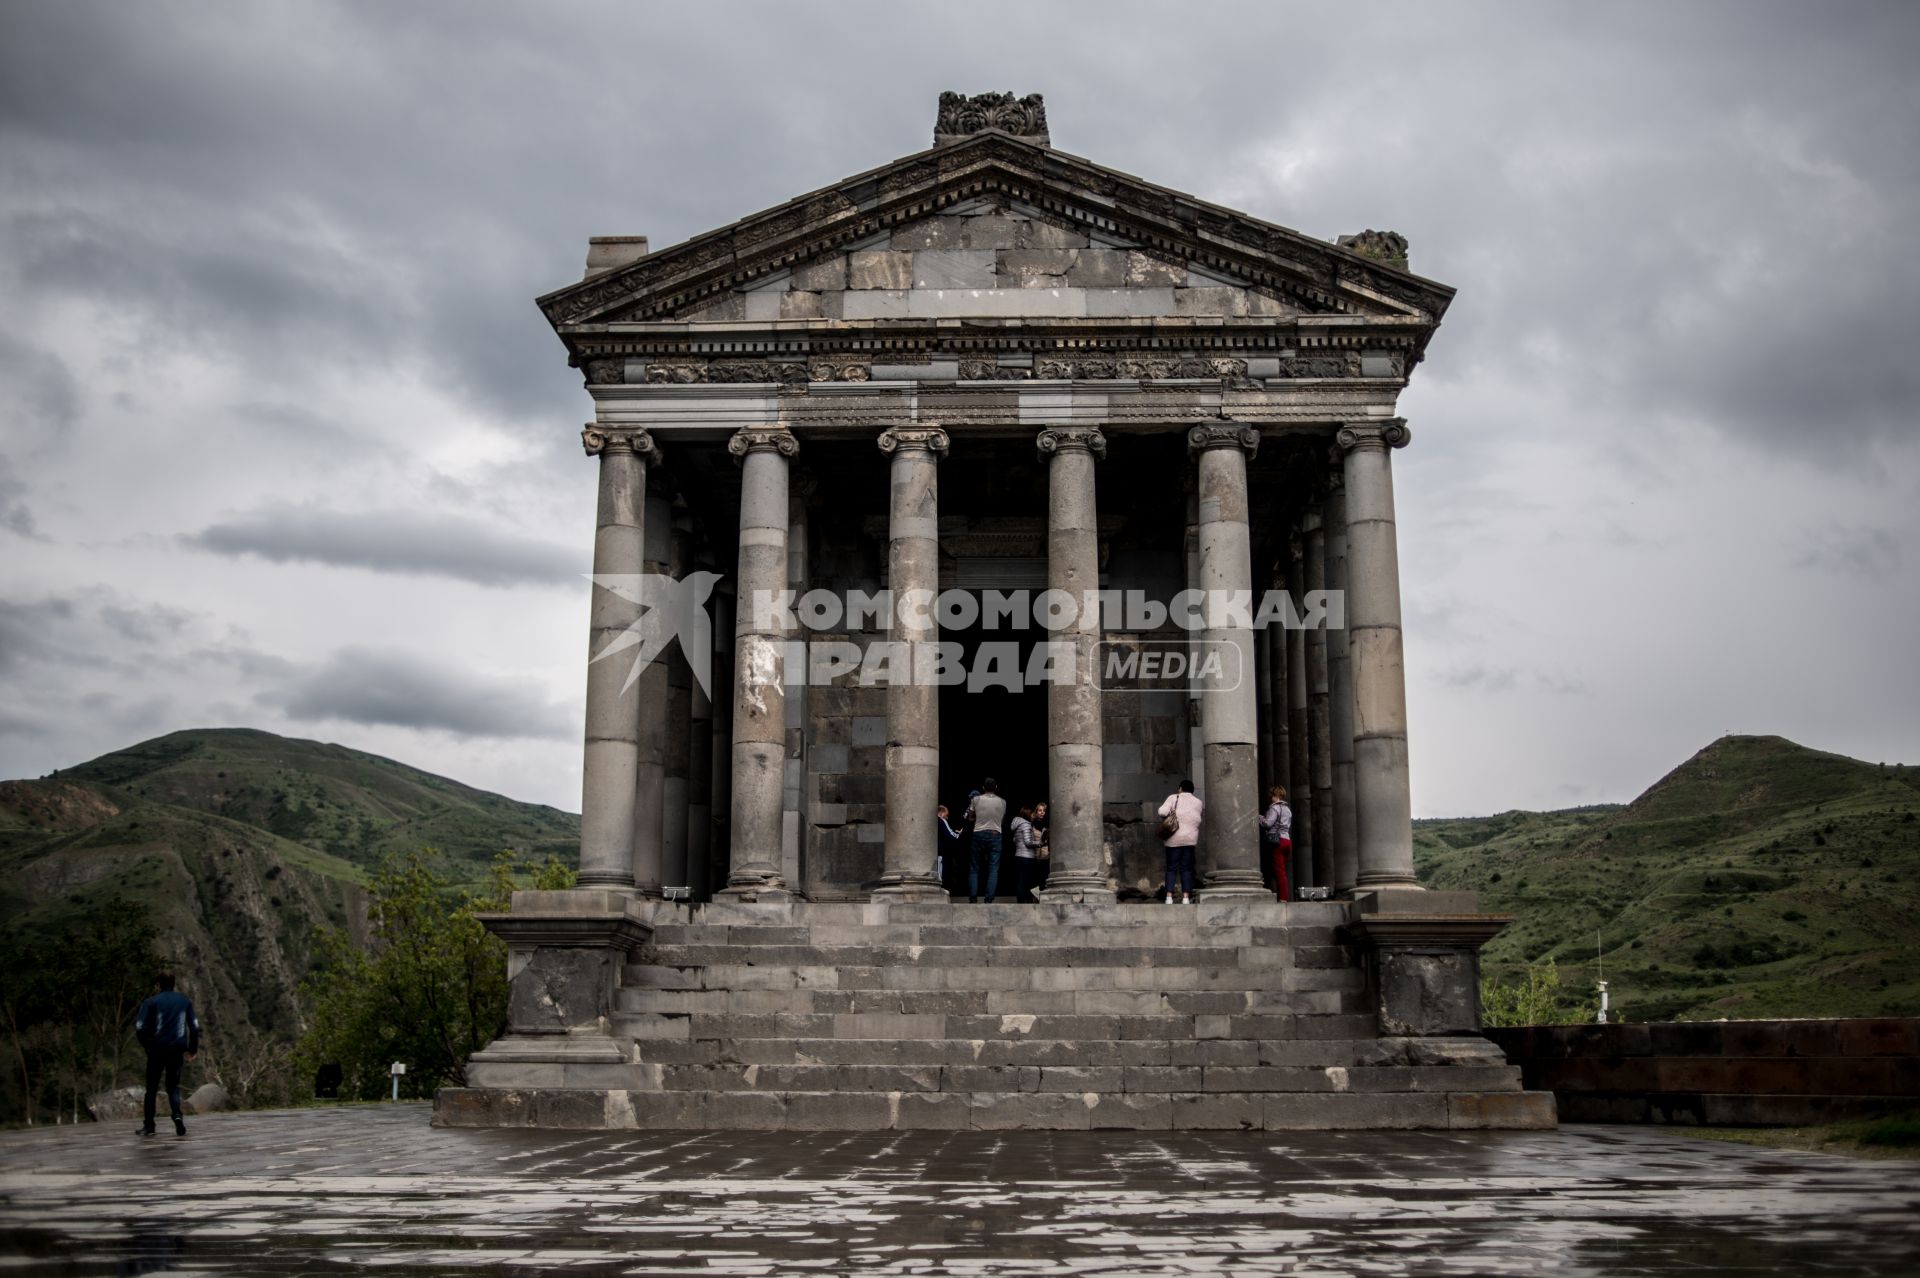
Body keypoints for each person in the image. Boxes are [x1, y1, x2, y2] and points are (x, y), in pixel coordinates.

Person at [133, 971, 201, 1138]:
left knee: (152, 1088)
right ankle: (177, 1115)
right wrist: (192, 1049)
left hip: (157, 1050)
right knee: (173, 1087)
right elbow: (194, 1026)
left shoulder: (151, 1002)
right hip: (177, 1050)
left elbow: (140, 1027)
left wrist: (148, 1046)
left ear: (158, 985)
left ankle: (149, 1125)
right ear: (174, 984)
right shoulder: (184, 1002)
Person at [1157, 780, 1203, 904]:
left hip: (1173, 840)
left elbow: (1162, 812)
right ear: (1192, 790)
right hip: (1190, 840)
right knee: (1187, 869)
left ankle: (1169, 897)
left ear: (1180, 788)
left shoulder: (1173, 797)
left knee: (1171, 868)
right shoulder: (1198, 802)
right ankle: (1186, 897)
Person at [963, 778, 1006, 903]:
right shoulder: (1003, 802)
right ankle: (988, 900)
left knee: (974, 867)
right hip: (996, 833)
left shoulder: (976, 799)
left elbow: (970, 818)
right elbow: (1001, 821)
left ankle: (973, 898)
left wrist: (977, 817)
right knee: (993, 869)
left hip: (979, 833)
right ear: (996, 787)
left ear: (983, 787)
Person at [1260, 785, 1293, 901]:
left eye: (1272, 796)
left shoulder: (1274, 808)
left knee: (1279, 871)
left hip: (1277, 841)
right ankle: (1283, 895)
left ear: (1276, 795)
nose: (1270, 798)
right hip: (1287, 840)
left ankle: (1283, 898)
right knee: (1281, 870)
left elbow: (1268, 823)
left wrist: (1260, 818)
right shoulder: (1287, 809)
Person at [1008, 804, 1042, 903]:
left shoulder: (1017, 824)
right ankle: (1027, 903)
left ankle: (1021, 903)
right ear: (1027, 814)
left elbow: (1015, 839)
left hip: (1018, 855)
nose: (1034, 816)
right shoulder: (1026, 824)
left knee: (1020, 881)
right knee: (1027, 882)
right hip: (1027, 857)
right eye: (1032, 814)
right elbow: (1028, 842)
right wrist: (1040, 843)